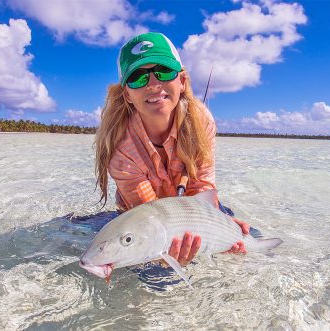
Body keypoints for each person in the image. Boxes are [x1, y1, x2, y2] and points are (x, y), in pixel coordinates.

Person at [95, 32, 249, 267]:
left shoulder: (202, 120)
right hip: (141, 218)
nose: (154, 84)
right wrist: (164, 257)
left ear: (182, 81)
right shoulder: (119, 147)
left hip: (191, 207)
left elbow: (202, 186)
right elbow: (148, 215)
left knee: (249, 239)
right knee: (158, 279)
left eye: (164, 71)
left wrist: (220, 225)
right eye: (138, 77)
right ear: (127, 94)